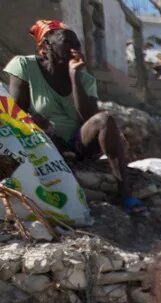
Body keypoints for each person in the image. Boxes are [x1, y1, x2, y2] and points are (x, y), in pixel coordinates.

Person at [5, 20, 140, 211]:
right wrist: (37, 125)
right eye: (67, 42)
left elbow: (88, 118)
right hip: (39, 140)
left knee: (105, 120)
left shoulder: (85, 79)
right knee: (33, 120)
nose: (74, 48)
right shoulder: (24, 65)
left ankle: (124, 192)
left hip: (76, 143)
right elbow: (16, 112)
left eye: (77, 44)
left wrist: (74, 76)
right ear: (45, 46)